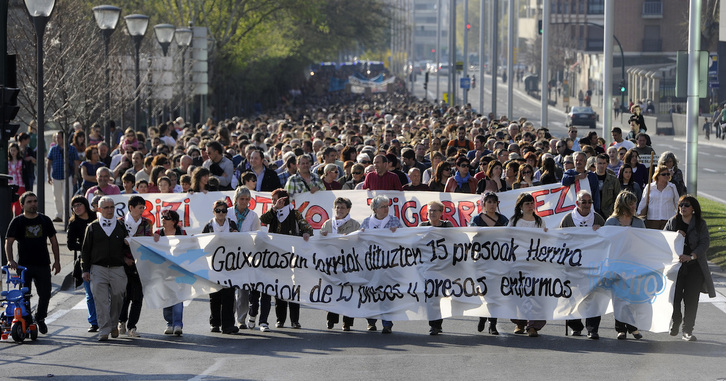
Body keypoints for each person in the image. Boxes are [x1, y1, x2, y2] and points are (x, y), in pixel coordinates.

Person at [5, 191, 60, 336]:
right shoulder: (17, 221)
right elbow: (8, 242)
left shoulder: (45, 220)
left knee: (45, 294)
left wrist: (57, 261)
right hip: (24, 266)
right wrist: (10, 260)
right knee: (25, 295)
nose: (33, 204)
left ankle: (40, 317)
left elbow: (54, 241)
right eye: (29, 202)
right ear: (22, 205)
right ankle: (28, 321)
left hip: (42, 263)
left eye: (35, 201)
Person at [664, 195, 716, 341]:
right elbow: (663, 240)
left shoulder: (700, 224)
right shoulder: (673, 222)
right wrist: (675, 235)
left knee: (691, 299)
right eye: (681, 205)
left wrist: (692, 256)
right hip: (676, 267)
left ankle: (687, 330)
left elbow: (704, 243)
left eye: (686, 205)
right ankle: (676, 319)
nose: (683, 208)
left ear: (693, 208)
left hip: (694, 266)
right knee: (674, 297)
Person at [259, 189, 312, 330]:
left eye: (277, 199)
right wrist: (275, 208)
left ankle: (295, 320)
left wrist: (305, 232)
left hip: (291, 257)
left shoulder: (294, 213)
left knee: (293, 287)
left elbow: (306, 226)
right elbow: (263, 220)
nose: (275, 202)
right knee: (278, 287)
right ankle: (280, 319)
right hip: (275, 257)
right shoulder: (273, 212)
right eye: (274, 200)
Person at [81, 196, 131, 341]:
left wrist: (128, 251)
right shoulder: (92, 227)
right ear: (99, 209)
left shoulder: (121, 226)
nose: (110, 210)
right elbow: (85, 250)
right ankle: (104, 330)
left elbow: (127, 245)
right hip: (98, 268)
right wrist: (85, 269)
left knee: (118, 296)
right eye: (106, 208)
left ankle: (114, 324)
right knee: (100, 299)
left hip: (117, 268)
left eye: (112, 207)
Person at [559, 190, 605, 339]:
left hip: (592, 264)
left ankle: (592, 328)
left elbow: (606, 240)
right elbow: (560, 240)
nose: (586, 205)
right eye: (583, 202)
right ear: (577, 203)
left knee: (594, 296)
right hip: (573, 264)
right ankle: (575, 326)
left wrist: (601, 232)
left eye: (589, 202)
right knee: (572, 296)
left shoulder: (598, 219)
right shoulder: (567, 219)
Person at [604, 191, 645, 340]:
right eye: (630, 203)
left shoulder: (639, 223)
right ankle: (622, 329)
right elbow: (605, 244)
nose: (634, 206)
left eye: (634, 203)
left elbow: (645, 243)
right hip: (616, 265)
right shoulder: (611, 222)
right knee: (619, 299)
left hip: (634, 265)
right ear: (622, 205)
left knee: (632, 298)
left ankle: (633, 326)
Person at [468, 191, 508, 335]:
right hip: (481, 261)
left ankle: (493, 323)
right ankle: (483, 315)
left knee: (495, 292)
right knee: (484, 291)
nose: (492, 205)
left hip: (498, 261)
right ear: (483, 204)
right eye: (489, 202)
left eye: (494, 202)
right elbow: (470, 235)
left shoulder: (503, 219)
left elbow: (510, 236)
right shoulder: (476, 219)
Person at [359, 195, 401, 333]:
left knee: (386, 293)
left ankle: (387, 323)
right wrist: (361, 234)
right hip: (370, 264)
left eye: (387, 206)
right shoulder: (366, 222)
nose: (386, 209)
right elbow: (359, 241)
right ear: (375, 209)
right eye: (383, 206)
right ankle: (371, 321)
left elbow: (405, 238)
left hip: (388, 264)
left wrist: (399, 232)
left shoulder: (394, 220)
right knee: (371, 292)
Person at [508, 192, 547, 337]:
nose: (530, 206)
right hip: (518, 262)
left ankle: (533, 326)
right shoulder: (514, 221)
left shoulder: (539, 222)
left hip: (535, 262)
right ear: (521, 206)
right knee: (519, 293)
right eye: (527, 204)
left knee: (535, 294)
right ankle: (520, 322)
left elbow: (544, 241)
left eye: (532, 203)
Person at [320, 197, 361, 331]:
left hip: (349, 264)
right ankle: (331, 319)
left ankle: (347, 322)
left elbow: (360, 243)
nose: (339, 210)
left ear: (348, 209)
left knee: (348, 292)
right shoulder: (327, 224)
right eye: (337, 207)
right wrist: (323, 236)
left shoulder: (355, 225)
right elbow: (320, 244)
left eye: (342, 207)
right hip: (331, 263)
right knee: (332, 291)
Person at [201, 200, 240, 334]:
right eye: (218, 211)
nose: (221, 213)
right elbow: (203, 244)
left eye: (223, 211)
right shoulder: (209, 226)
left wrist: (236, 235)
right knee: (215, 295)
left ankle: (228, 324)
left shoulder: (232, 224)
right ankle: (215, 323)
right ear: (213, 212)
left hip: (229, 265)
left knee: (228, 295)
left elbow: (239, 242)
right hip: (213, 265)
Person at [118, 195, 153, 338]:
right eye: (140, 207)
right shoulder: (119, 224)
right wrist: (124, 258)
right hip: (123, 265)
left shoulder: (147, 223)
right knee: (124, 295)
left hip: (141, 265)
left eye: (143, 207)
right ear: (131, 208)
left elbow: (149, 242)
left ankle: (132, 326)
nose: (142, 210)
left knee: (138, 297)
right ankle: (122, 321)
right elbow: (114, 246)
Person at [419, 200, 454, 335]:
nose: (432, 213)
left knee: (441, 296)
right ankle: (434, 324)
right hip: (428, 267)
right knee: (432, 296)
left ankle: (437, 323)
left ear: (441, 213)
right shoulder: (422, 226)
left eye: (435, 210)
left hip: (445, 267)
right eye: (430, 210)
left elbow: (456, 240)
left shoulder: (447, 226)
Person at [66, 195, 98, 333]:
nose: (77, 208)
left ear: (85, 205)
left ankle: (109, 319)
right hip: (85, 261)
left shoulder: (96, 217)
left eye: (79, 204)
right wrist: (85, 246)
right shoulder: (73, 223)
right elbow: (70, 244)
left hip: (102, 258)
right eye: (74, 206)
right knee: (90, 294)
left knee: (107, 293)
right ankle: (94, 322)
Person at [231, 187, 261, 330]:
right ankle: (228, 318)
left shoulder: (253, 216)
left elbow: (257, 235)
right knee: (229, 288)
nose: (244, 202)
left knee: (243, 289)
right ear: (236, 199)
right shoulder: (228, 212)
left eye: (246, 199)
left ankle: (241, 319)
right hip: (228, 255)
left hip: (245, 256)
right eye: (241, 199)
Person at [153, 209, 186, 336]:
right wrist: (153, 238)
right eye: (162, 217)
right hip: (163, 270)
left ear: (174, 221)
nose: (163, 220)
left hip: (178, 270)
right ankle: (169, 323)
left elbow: (189, 247)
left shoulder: (182, 233)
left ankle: (177, 324)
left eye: (166, 218)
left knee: (178, 297)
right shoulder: (158, 233)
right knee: (166, 297)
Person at [46, 131, 79, 222]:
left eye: (59, 137)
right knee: (57, 197)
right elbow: (49, 162)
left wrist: (75, 176)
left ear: (64, 138)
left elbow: (76, 163)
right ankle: (59, 215)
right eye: (56, 137)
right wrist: (48, 176)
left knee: (68, 196)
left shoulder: (71, 149)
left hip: (68, 176)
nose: (57, 139)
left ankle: (68, 214)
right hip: (56, 176)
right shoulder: (53, 149)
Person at [636, 164, 679, 230]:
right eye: (664, 174)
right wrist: (638, 214)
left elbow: (677, 202)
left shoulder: (672, 187)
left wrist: (679, 215)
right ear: (658, 175)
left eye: (668, 174)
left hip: (668, 219)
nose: (666, 176)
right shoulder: (649, 187)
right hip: (652, 220)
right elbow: (643, 202)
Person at [8, 143, 26, 216]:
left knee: (18, 206)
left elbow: (25, 174)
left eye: (14, 150)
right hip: (10, 184)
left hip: (20, 184)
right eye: (11, 150)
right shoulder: (7, 161)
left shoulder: (21, 161)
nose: (13, 152)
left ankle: (17, 220)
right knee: (10, 204)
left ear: (17, 151)